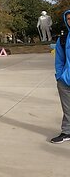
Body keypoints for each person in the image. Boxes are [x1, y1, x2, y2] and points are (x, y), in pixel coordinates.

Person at [51, 10, 70, 144]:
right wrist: (60, 76)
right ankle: (67, 132)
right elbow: (59, 60)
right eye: (68, 19)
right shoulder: (63, 39)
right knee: (67, 109)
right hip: (65, 80)